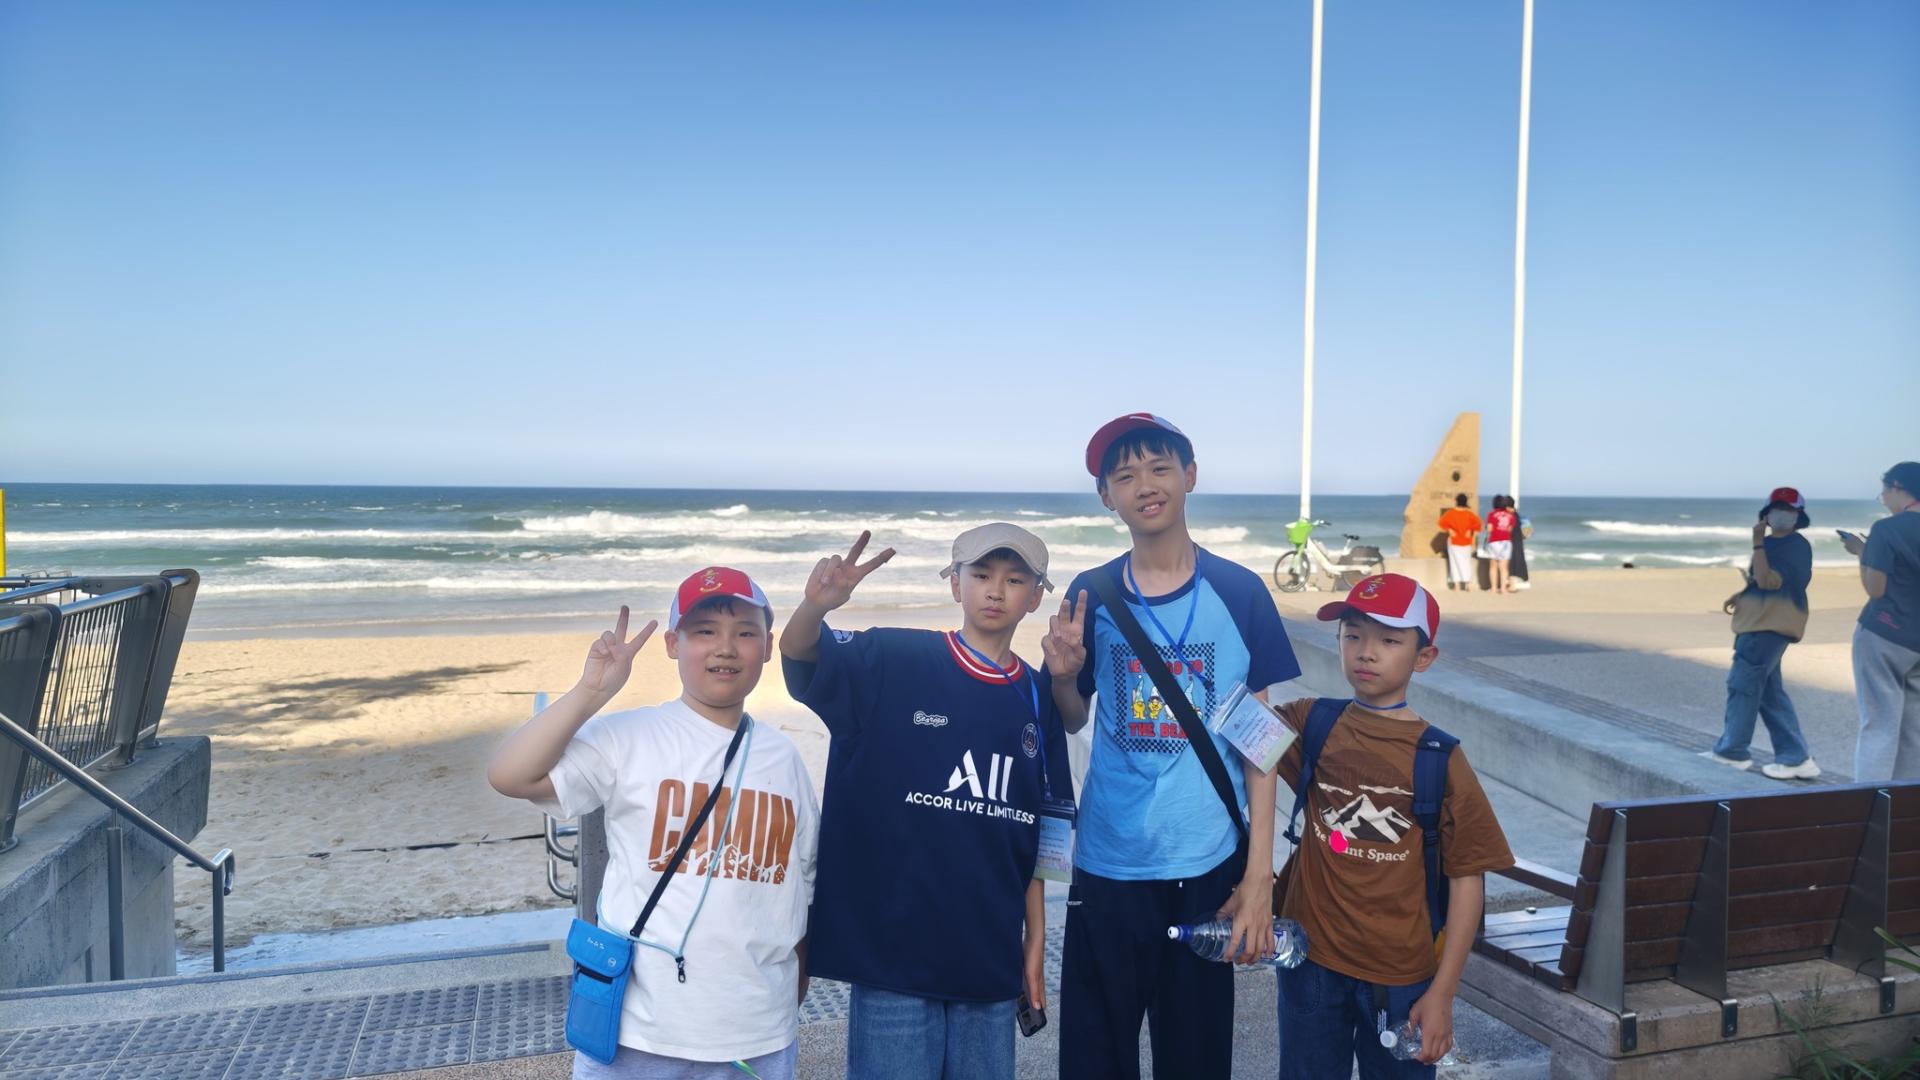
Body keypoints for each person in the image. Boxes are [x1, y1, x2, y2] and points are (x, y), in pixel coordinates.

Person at [1046, 413, 1302, 1080]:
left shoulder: (1240, 592)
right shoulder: (1092, 593)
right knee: (1096, 1062)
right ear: (1106, 497)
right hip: (1109, 864)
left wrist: (1259, 877)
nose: (1145, 485)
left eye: (1160, 467)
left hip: (1207, 866)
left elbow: (1261, 744)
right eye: (1125, 475)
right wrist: (1064, 678)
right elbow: (1072, 719)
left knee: (1195, 1060)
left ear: (1190, 475)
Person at [487, 568, 818, 1080]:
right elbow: (511, 775)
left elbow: (801, 885)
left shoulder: (784, 758)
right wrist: (589, 692)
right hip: (638, 1033)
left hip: (758, 1034)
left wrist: (786, 999)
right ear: (672, 644)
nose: (725, 647)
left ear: (768, 647)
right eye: (704, 631)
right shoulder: (629, 737)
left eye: (745, 632)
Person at [780, 525, 1075, 1080]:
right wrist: (815, 607)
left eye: (1015, 580)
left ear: (1036, 596)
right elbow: (801, 657)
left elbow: (1042, 833)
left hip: (988, 956)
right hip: (893, 954)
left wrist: (1034, 941)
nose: (996, 590)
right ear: (955, 583)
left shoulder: (1038, 697)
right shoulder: (894, 658)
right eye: (981, 574)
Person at [1273, 573, 1514, 1078]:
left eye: (1388, 640)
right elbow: (1233, 737)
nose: (1366, 652)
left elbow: (1468, 880)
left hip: (1403, 979)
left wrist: (1443, 993)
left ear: (1423, 657)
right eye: (1353, 635)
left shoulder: (1439, 757)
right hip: (1311, 963)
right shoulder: (1310, 722)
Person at [1702, 488, 1819, 780]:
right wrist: (1743, 594)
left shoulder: (1796, 545)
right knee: (1769, 693)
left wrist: (1757, 543)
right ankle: (1795, 757)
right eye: (1777, 508)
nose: (1782, 514)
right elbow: (1759, 581)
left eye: (1788, 509)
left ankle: (1732, 752)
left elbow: (1768, 582)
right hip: (1758, 622)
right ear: (1766, 513)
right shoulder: (1770, 544)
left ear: (1799, 516)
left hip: (1768, 626)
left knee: (1743, 685)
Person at [1843, 462, 1920, 781]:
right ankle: (1907, 804)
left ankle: (1870, 801)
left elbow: (1876, 589)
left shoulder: (1887, 529)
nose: (1884, 499)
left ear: (1898, 487)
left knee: (1879, 724)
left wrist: (1863, 553)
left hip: (1885, 633)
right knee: (1914, 729)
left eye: (1884, 492)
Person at [1436, 495, 1481, 592]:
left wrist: (1450, 529)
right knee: (1466, 562)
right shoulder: (1469, 514)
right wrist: (1470, 531)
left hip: (1455, 541)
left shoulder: (1450, 513)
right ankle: (1467, 584)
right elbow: (1478, 524)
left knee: (1454, 563)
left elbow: (1441, 522)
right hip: (1465, 541)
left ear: (1456, 501)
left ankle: (1457, 585)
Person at [1485, 496, 1519, 594]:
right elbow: (1510, 530)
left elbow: (1489, 529)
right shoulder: (1511, 516)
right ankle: (1503, 589)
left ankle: (1493, 588)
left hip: (1493, 542)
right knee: (1504, 568)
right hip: (1506, 542)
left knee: (1493, 566)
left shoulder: (1491, 514)